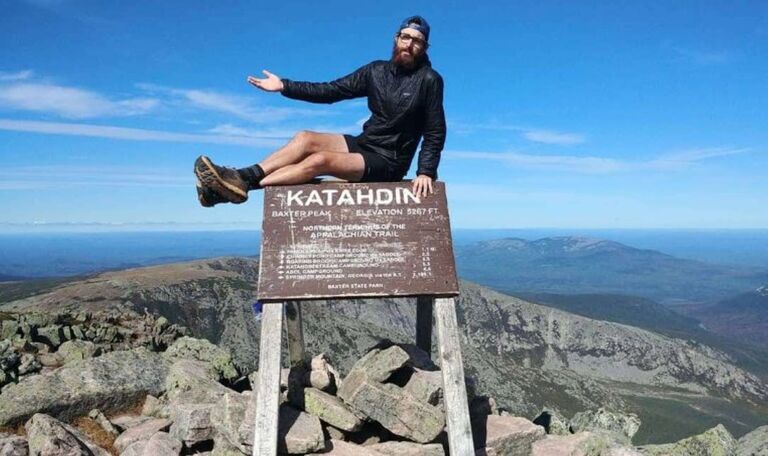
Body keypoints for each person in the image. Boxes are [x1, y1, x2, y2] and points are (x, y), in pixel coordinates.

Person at [194, 15, 446, 207]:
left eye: (417, 41)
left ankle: (235, 186)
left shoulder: (429, 80)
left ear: (424, 47)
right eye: (405, 37)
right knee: (306, 138)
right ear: (396, 38)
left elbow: (435, 131)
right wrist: (285, 86)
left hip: (389, 160)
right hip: (365, 143)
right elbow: (331, 91)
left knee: (319, 160)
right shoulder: (376, 71)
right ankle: (238, 178)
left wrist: (425, 171)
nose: (409, 44)